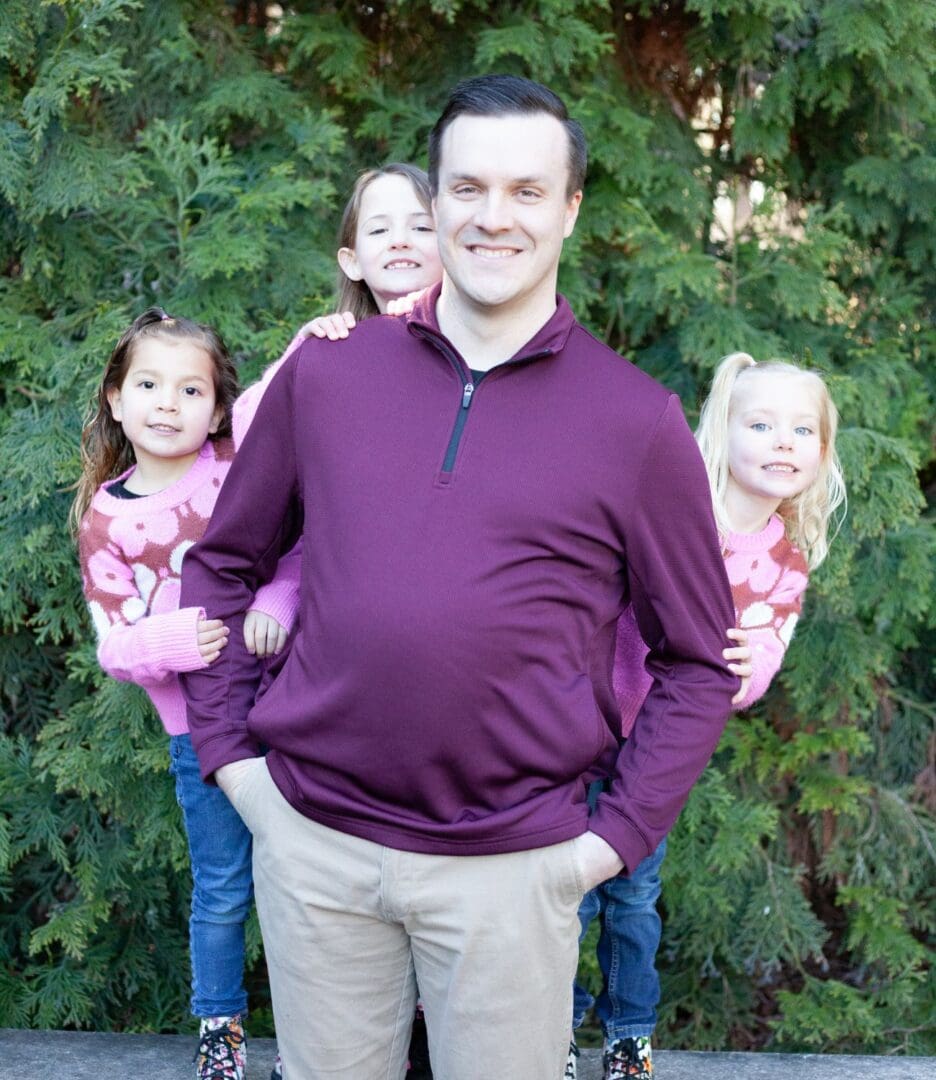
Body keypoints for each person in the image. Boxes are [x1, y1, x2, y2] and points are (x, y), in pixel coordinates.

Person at [180, 74, 739, 1080]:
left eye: (527, 191)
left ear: (571, 209)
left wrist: (606, 847)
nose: (494, 216)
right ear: (432, 205)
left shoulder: (636, 423)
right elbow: (223, 564)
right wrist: (233, 763)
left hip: (513, 874)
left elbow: (700, 661)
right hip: (314, 847)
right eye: (468, 188)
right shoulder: (331, 375)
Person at [570, 351, 847, 1080]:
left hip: (655, 756)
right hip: (576, 733)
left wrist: (745, 669)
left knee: (632, 901)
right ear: (721, 433)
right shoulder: (674, 507)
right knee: (564, 902)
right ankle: (552, 1028)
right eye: (761, 424)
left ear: (823, 452)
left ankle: (629, 1035)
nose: (783, 442)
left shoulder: (786, 556)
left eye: (802, 430)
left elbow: (758, 659)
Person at [72, 308, 295, 1080]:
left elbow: (297, 551)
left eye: (190, 388)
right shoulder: (107, 521)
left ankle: (326, 1036)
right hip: (201, 732)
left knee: (314, 887)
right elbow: (114, 642)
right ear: (115, 398)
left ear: (218, 407)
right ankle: (220, 1032)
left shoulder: (238, 470)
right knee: (226, 886)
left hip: (294, 718)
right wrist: (172, 639)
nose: (168, 403)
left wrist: (276, 605)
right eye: (149, 385)